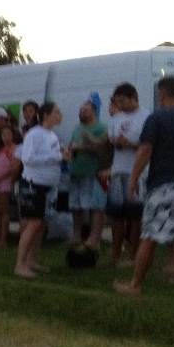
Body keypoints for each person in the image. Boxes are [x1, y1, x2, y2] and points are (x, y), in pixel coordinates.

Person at [115, 76, 174, 304]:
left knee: (150, 236)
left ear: (162, 94)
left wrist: (134, 178)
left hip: (164, 185)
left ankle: (135, 285)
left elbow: (145, 150)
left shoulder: (157, 118)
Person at [15, 102, 63, 278]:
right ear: (45, 115)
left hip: (48, 186)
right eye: (57, 112)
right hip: (33, 184)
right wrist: (56, 156)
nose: (60, 115)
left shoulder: (51, 135)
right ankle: (20, 264)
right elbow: (27, 158)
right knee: (33, 223)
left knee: (41, 225)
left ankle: (32, 260)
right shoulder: (35, 134)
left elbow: (50, 158)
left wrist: (60, 157)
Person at [106, 82, 149, 266]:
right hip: (118, 170)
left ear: (133, 97)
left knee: (135, 216)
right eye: (117, 102)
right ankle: (115, 254)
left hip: (138, 172)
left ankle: (133, 256)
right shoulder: (116, 118)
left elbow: (150, 145)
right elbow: (110, 139)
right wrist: (115, 142)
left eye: (122, 101)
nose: (120, 105)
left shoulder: (147, 117)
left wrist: (130, 144)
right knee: (116, 214)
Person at [66, 99, 108, 250]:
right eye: (81, 110)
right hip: (75, 171)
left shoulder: (101, 127)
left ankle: (93, 237)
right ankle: (76, 235)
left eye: (85, 110)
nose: (81, 112)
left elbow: (103, 149)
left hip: (92, 172)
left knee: (93, 206)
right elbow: (72, 145)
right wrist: (69, 151)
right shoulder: (78, 128)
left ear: (94, 111)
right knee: (75, 205)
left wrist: (82, 147)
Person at [0, 125, 20, 247]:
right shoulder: (1, 149)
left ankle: (3, 239)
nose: (5, 137)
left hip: (5, 183)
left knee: (4, 211)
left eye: (8, 134)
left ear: (13, 136)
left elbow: (13, 169)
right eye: (3, 135)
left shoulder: (14, 149)